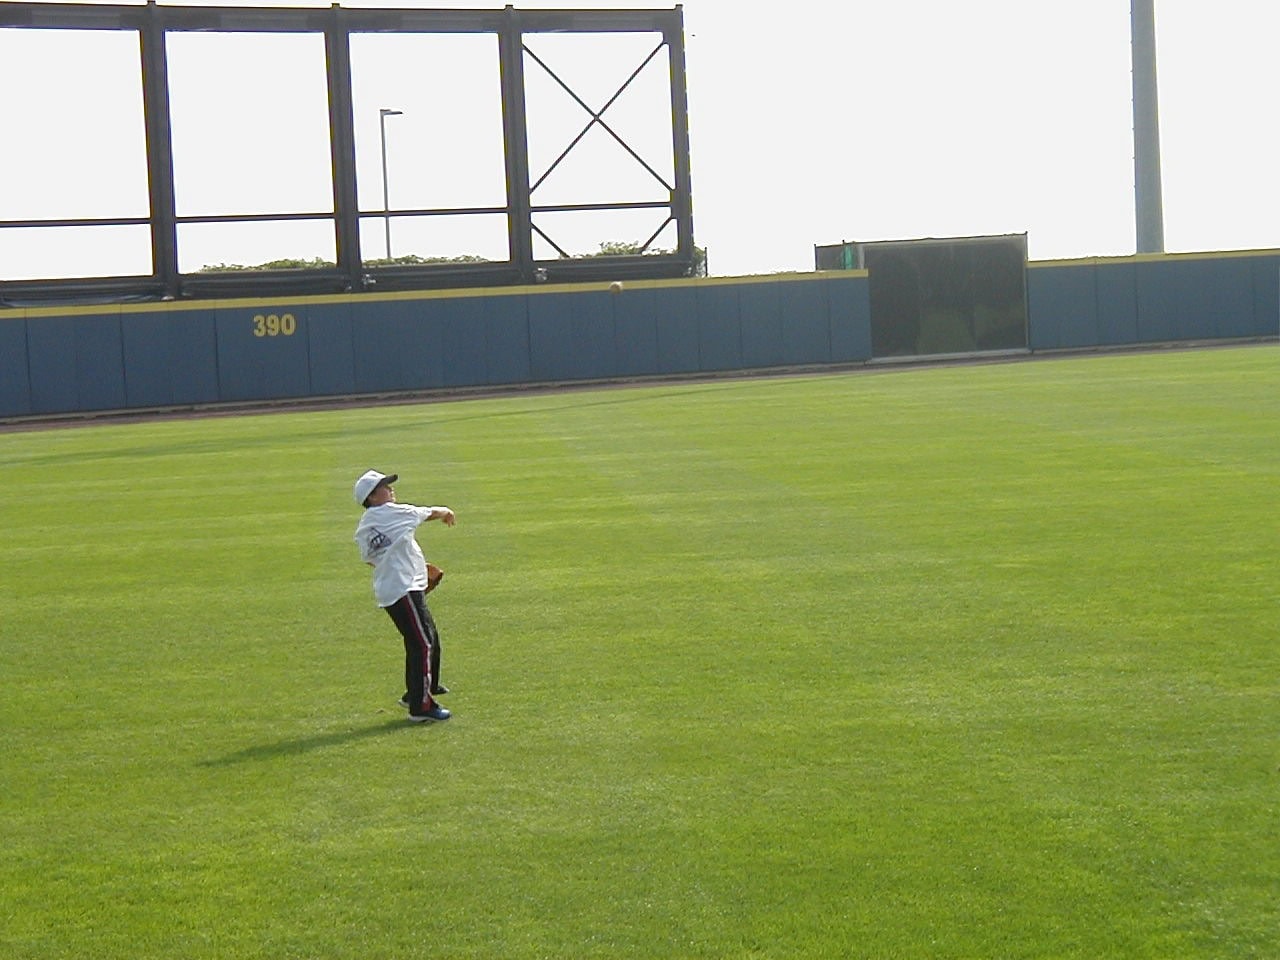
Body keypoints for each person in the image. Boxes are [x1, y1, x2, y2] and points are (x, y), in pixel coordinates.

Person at [352, 469, 456, 723]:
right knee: (422, 643)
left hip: (395, 588)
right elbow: (426, 512)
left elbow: (372, 558)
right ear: (373, 497)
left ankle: (420, 690)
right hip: (403, 589)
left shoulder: (366, 525)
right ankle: (421, 707)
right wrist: (446, 511)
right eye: (385, 487)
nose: (391, 489)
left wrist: (413, 568)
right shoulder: (394, 512)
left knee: (426, 637)